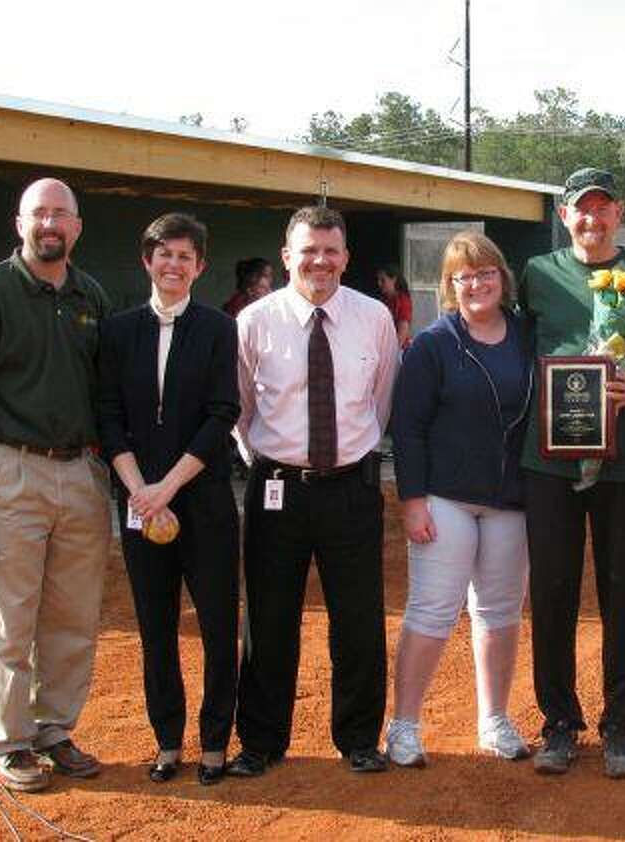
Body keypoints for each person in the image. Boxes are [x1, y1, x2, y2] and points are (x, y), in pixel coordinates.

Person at [0, 178, 112, 792]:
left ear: (77, 227)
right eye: (40, 214)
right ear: (20, 224)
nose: (50, 224)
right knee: (8, 617)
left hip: (79, 472)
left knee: (71, 615)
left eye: (61, 214)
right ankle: (9, 739)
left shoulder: (91, 295)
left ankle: (53, 729)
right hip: (7, 469)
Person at [518, 167, 625, 778]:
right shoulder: (537, 275)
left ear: (619, 212)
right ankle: (558, 724)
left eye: (602, 208)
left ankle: (620, 726)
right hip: (549, 464)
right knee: (553, 591)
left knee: (624, 592)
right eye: (580, 210)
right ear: (564, 217)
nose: (591, 219)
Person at [228, 205, 400, 777]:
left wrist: (354, 452)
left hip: (351, 488)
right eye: (308, 251)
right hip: (276, 488)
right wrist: (266, 458)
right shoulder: (254, 321)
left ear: (346, 257)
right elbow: (241, 408)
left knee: (358, 619)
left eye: (330, 251)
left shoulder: (373, 318)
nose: (319, 262)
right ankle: (261, 741)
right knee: (269, 620)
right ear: (287, 257)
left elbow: (381, 398)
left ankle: (358, 738)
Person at [97, 213, 240, 786]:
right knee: (155, 629)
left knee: (216, 626)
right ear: (147, 261)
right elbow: (108, 418)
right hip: (138, 501)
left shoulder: (217, 329)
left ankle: (213, 742)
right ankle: (166, 741)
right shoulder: (117, 330)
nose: (173, 265)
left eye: (185, 257)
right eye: (164, 255)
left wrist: (167, 488)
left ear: (199, 267)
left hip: (200, 499)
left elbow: (222, 414)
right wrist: (139, 492)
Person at [384, 231, 534, 767]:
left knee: (500, 613)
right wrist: (413, 500)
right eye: (462, 276)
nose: (475, 284)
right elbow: (408, 427)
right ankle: (403, 726)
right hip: (444, 498)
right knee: (432, 609)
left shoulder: (527, 336)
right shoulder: (432, 344)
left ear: (502, 278)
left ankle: (494, 719)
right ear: (449, 285)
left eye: (485, 273)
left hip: (511, 499)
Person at [377, 265, 413, 349]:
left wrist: (394, 350)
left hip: (399, 348)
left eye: (383, 280)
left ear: (393, 280)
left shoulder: (403, 300)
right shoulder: (384, 301)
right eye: (378, 280)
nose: (379, 284)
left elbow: (403, 329)